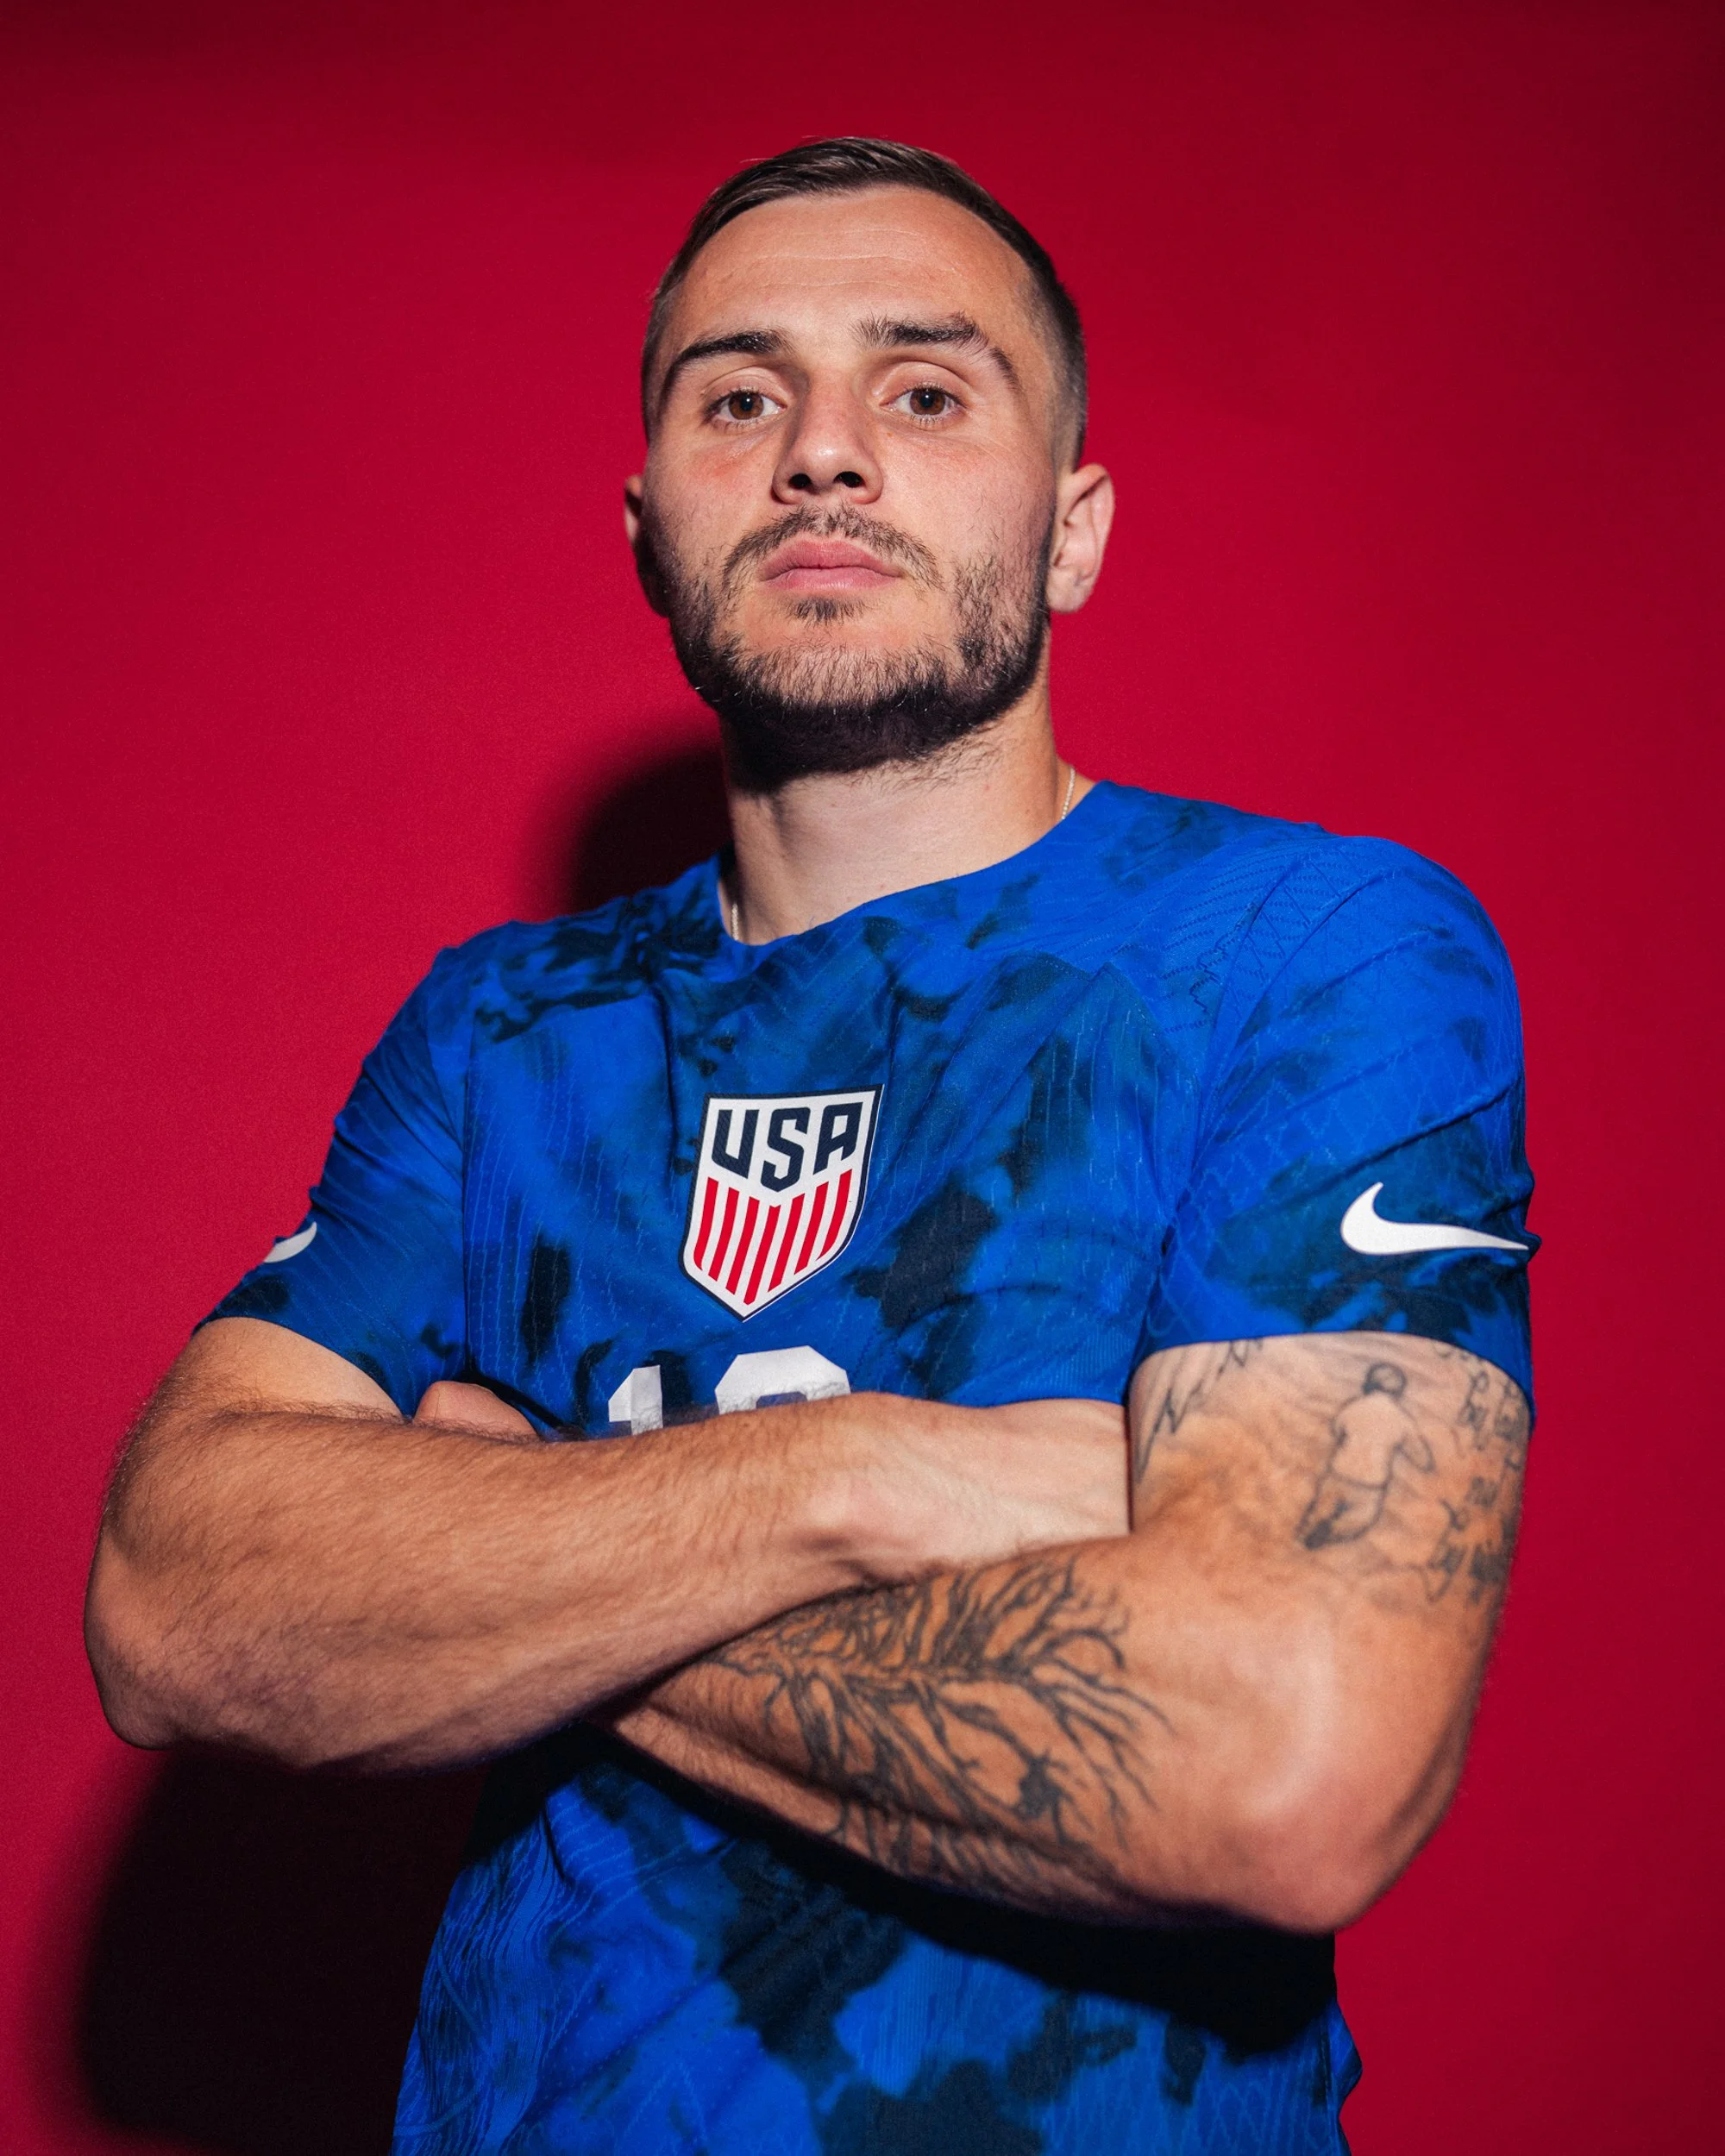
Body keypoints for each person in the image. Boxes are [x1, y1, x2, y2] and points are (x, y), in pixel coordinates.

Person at [85, 138, 1536, 2153]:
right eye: (738, 396)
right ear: (647, 521)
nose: (823, 454)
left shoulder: (1304, 952)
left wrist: (507, 1546)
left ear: (1074, 527)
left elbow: (1283, 1762)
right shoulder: (502, 1032)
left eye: (926, 391)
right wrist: (862, 1470)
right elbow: (175, 1600)